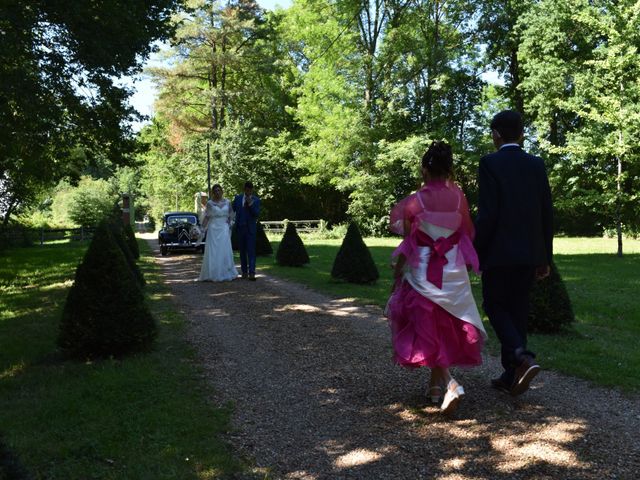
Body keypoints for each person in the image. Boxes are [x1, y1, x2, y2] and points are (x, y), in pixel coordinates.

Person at [387, 141, 487, 414]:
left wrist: (398, 273)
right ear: (448, 170)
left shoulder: (414, 202)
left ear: (424, 170)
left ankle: (450, 382)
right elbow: (466, 233)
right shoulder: (459, 198)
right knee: (442, 325)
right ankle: (434, 388)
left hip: (424, 270)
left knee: (426, 326)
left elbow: (410, 243)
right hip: (451, 270)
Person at [474, 110, 553, 396]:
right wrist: (545, 257)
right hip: (530, 253)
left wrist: (476, 251)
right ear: (521, 134)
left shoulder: (489, 163)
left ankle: (521, 356)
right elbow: (546, 213)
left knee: (494, 305)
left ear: (496, 134)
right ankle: (511, 374)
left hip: (498, 252)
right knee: (518, 309)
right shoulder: (536, 164)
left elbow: (487, 214)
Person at [198, 184, 238, 282]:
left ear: (222, 191)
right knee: (213, 251)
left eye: (219, 190)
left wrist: (229, 223)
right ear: (213, 192)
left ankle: (225, 272)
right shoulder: (210, 203)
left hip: (224, 228)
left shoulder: (228, 202)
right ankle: (213, 273)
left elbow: (231, 215)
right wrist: (202, 229)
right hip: (213, 228)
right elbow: (207, 217)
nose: (217, 192)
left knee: (224, 249)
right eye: (215, 191)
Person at [232, 181, 260, 280]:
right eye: (246, 189)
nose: (248, 191)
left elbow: (256, 214)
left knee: (251, 252)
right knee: (242, 251)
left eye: (249, 190)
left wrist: (250, 204)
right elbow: (232, 210)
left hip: (250, 229)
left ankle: (252, 272)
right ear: (244, 189)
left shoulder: (256, 200)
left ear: (252, 190)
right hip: (240, 228)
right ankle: (244, 272)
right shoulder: (238, 198)